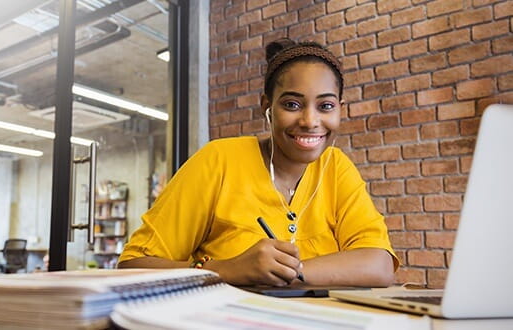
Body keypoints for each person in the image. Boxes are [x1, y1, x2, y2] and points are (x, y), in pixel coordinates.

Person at [118, 38, 398, 287]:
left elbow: (379, 265)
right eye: (292, 104)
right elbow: (133, 266)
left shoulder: (336, 167)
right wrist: (225, 270)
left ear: (339, 109)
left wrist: (287, 272)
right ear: (267, 106)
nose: (310, 121)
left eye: (325, 106)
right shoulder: (219, 160)